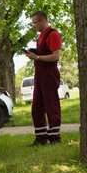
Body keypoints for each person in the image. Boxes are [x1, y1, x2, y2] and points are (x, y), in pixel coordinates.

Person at [25, 11, 63, 145]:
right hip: (39, 75)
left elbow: (56, 56)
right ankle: (41, 137)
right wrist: (35, 53)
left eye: (35, 22)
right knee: (37, 107)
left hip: (49, 74)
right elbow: (42, 53)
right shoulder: (40, 37)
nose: (34, 25)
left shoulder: (53, 34)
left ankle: (54, 137)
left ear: (42, 21)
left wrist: (37, 57)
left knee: (51, 106)